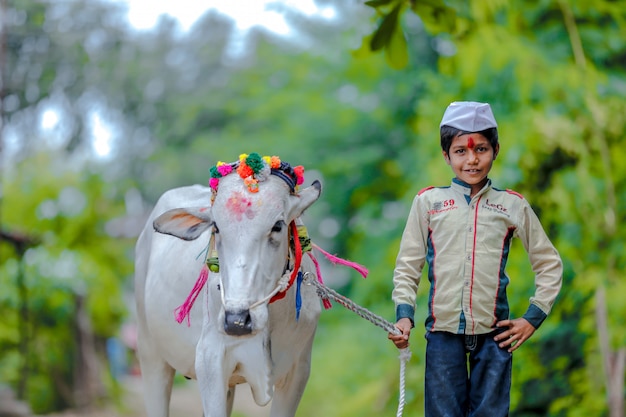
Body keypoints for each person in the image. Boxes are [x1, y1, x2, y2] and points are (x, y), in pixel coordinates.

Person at [388, 101, 563, 417]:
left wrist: (533, 318)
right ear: (446, 155)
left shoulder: (512, 206)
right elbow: (408, 264)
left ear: (495, 150)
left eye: (481, 148)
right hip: (442, 336)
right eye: (460, 151)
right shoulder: (428, 203)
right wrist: (404, 315)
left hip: (496, 335)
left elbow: (548, 263)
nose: (472, 159)